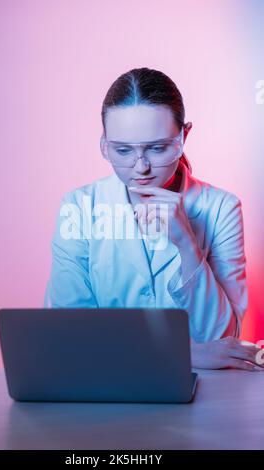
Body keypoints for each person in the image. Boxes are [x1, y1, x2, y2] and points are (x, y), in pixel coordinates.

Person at [44, 67, 262, 371]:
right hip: (107, 385)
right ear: (104, 144)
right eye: (122, 150)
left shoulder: (221, 208)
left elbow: (222, 340)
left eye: (158, 148)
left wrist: (187, 243)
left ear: (184, 136)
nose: (141, 167)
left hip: (205, 396)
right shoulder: (79, 207)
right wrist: (186, 354)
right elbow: (70, 335)